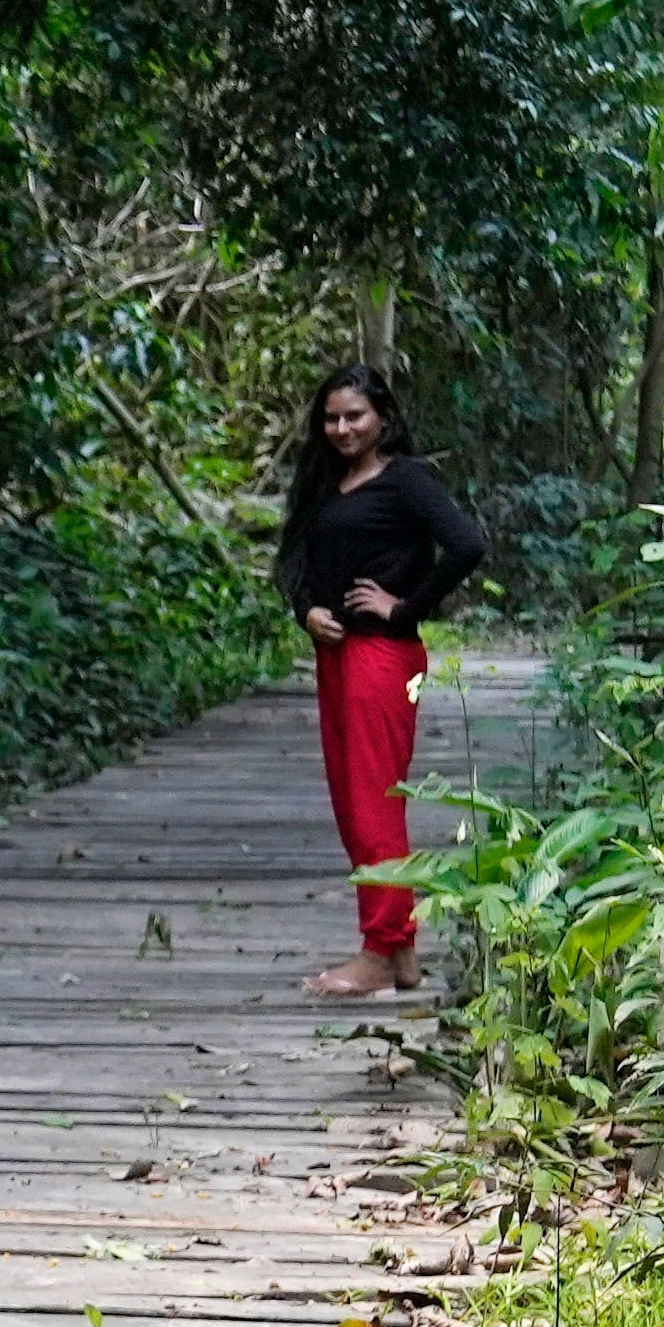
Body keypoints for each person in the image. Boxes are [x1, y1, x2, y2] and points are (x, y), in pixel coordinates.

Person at [281, 363, 486, 999]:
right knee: (351, 800)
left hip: (382, 657)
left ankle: (378, 949)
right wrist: (305, 609)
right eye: (332, 418)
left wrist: (404, 607)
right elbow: (297, 557)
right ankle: (400, 957)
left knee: (375, 801)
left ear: (383, 419)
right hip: (335, 654)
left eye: (355, 416)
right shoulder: (325, 481)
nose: (341, 428)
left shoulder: (407, 480)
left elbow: (467, 545)